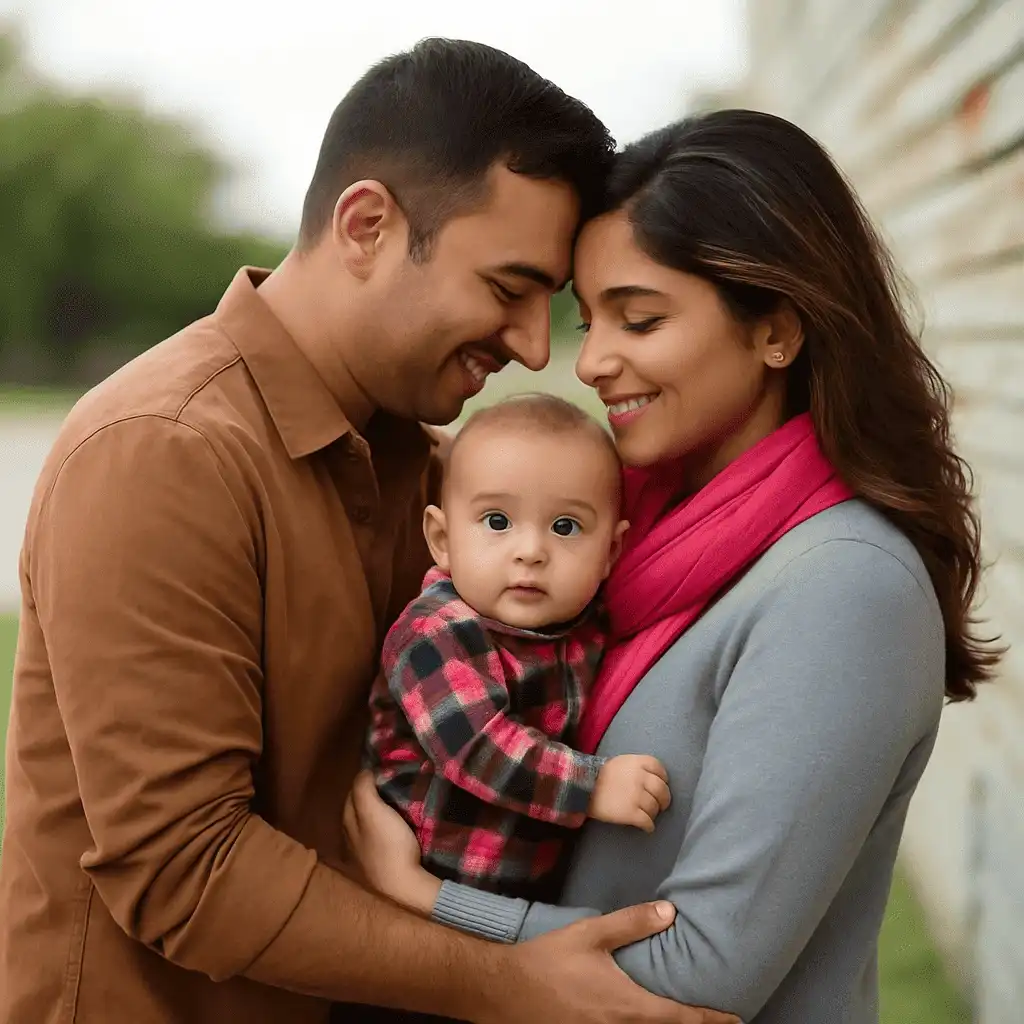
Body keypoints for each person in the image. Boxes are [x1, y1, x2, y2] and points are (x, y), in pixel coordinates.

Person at [0, 39, 736, 1024]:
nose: (529, 344)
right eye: (508, 287)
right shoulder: (163, 451)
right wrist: (507, 983)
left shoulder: (425, 464)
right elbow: (183, 865)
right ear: (367, 226)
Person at [342, 109, 1003, 1024]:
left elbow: (703, 972)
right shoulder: (631, 540)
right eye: (591, 317)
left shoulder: (844, 586)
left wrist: (418, 900)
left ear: (775, 329)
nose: (595, 361)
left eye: (640, 319)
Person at [368, 393, 670, 900]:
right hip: (423, 886)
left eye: (565, 527)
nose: (530, 552)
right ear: (442, 540)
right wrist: (594, 788)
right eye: (497, 522)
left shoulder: (586, 629)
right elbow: (476, 748)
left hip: (516, 895)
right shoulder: (436, 632)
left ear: (610, 552)